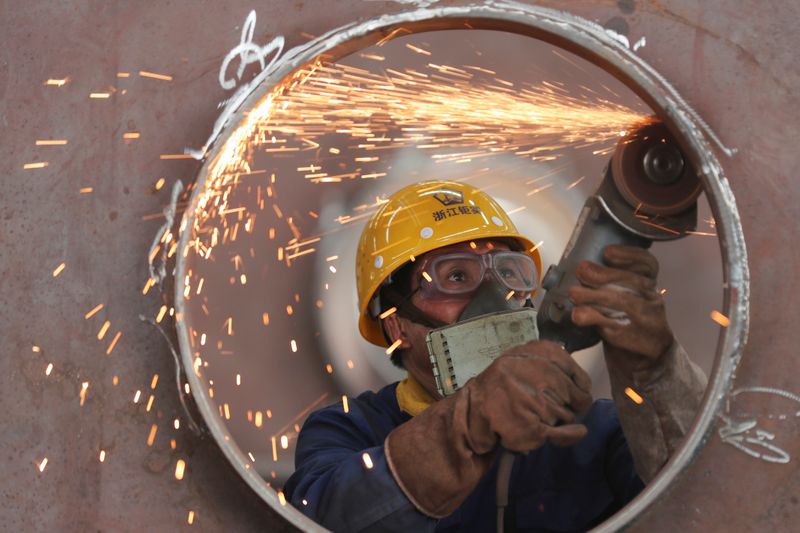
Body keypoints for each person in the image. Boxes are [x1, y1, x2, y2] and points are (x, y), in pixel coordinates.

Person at [285, 180, 707, 532]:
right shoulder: (350, 431)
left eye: (508, 271)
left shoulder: (593, 433)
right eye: (455, 277)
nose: (496, 297)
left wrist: (656, 373)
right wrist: (466, 425)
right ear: (396, 324)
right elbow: (326, 515)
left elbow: (708, 502)